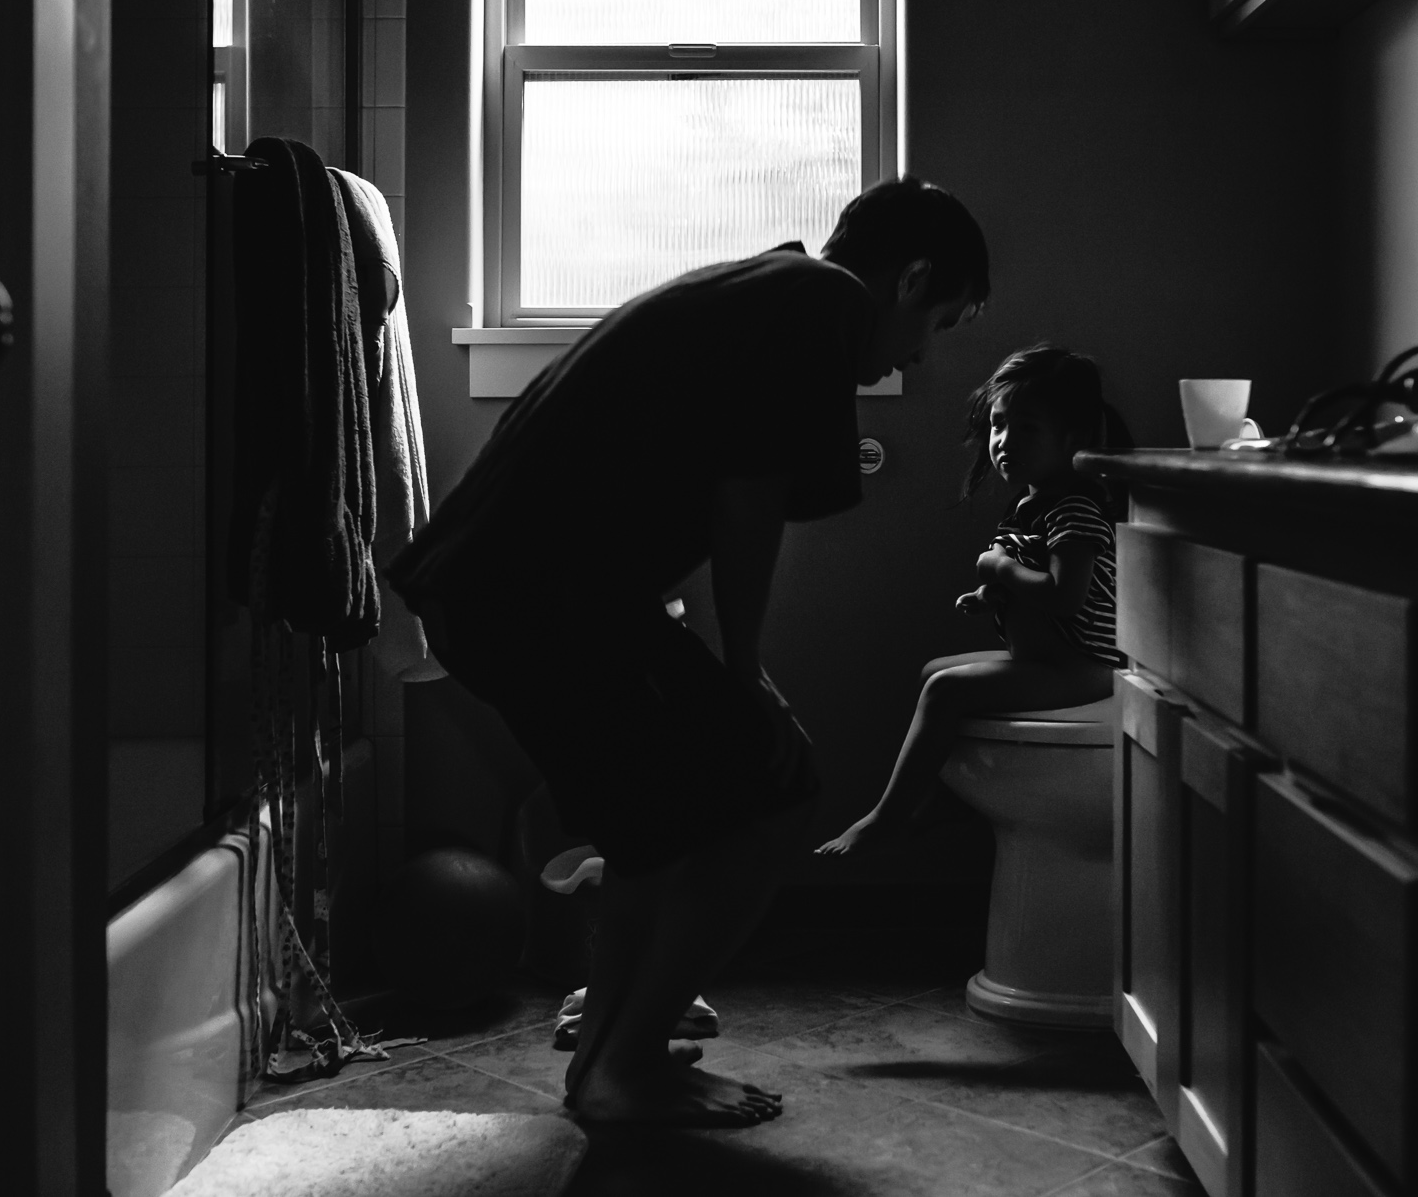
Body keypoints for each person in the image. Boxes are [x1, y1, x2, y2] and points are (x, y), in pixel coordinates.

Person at [388, 177, 989, 1126]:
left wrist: (737, 672)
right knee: (777, 792)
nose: (919, 351)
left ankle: (613, 1060)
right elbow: (746, 500)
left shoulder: (768, 289)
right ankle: (621, 1065)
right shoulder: (824, 302)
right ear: (910, 279)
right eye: (941, 320)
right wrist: (744, 673)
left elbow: (703, 487)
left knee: (658, 825)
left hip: (514, 587)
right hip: (538, 594)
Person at [818, 344, 1129, 857]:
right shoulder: (1033, 504)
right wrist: (992, 594)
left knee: (946, 691)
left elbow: (1065, 596)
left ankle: (886, 818)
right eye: (997, 425)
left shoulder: (1075, 508)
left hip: (1083, 666)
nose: (1005, 441)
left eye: (1026, 428)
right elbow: (1033, 576)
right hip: (1046, 659)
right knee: (933, 672)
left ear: (1071, 436)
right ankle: (946, 798)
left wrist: (998, 567)